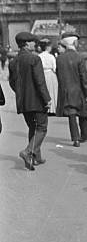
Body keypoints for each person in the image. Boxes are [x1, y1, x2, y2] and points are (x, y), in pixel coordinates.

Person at [9, 32, 50, 169]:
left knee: (33, 127)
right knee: (42, 128)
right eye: (32, 42)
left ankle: (35, 157)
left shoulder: (13, 62)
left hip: (23, 101)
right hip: (37, 101)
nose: (35, 44)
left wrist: (21, 93)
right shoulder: (34, 59)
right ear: (26, 44)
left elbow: (12, 83)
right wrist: (47, 99)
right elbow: (40, 82)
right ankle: (28, 152)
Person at [56, 33, 87, 147]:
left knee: (71, 115)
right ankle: (85, 135)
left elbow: (59, 75)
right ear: (74, 43)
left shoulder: (59, 58)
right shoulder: (79, 57)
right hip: (79, 90)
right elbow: (84, 77)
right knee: (82, 113)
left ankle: (75, 139)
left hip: (66, 91)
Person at [38, 38, 58, 115]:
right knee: (52, 91)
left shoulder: (39, 56)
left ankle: (44, 107)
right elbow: (55, 68)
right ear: (47, 47)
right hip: (51, 74)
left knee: (44, 91)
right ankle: (52, 109)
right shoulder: (51, 57)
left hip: (43, 74)